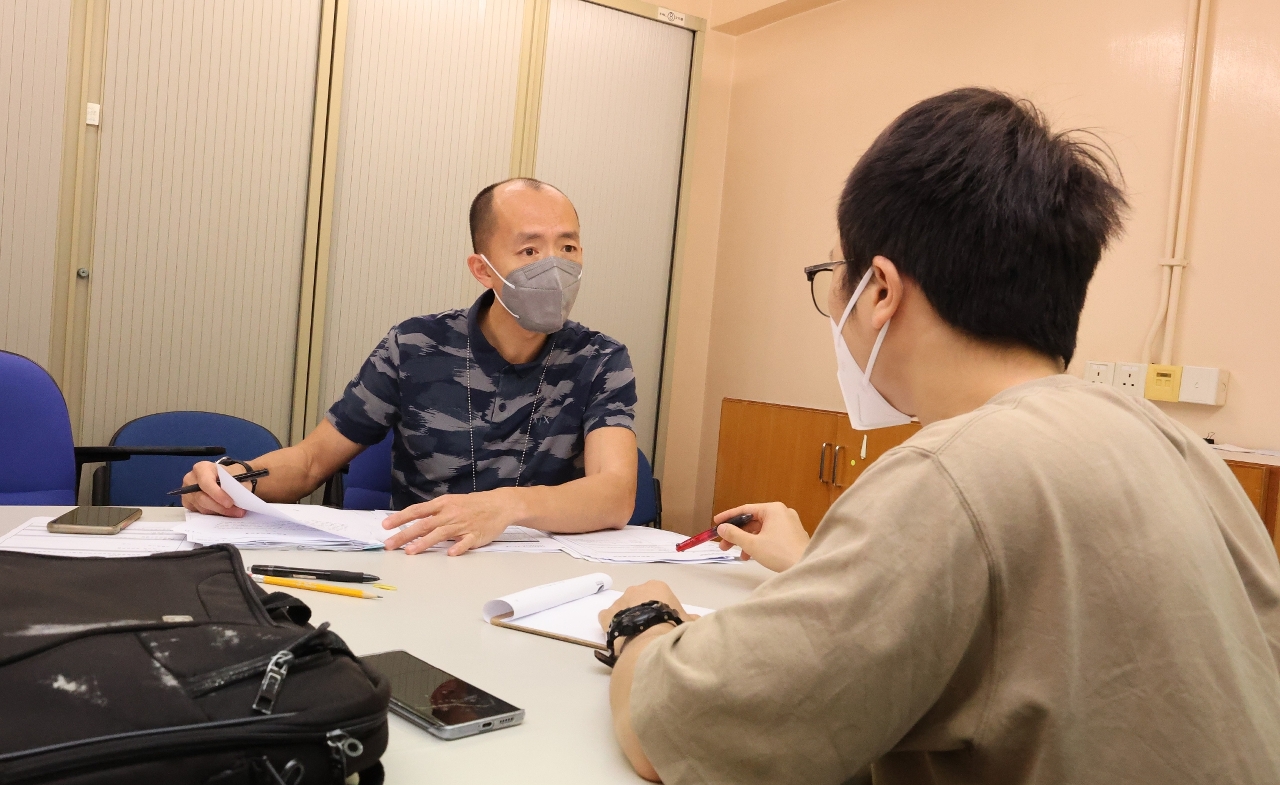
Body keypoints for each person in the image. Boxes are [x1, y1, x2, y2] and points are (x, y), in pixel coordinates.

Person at [597, 88, 1280, 783]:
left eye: (834, 274)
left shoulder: (949, 474)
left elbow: (677, 728)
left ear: (881, 290)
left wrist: (644, 620)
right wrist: (815, 565)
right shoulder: (1175, 446)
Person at [182, 178, 639, 555]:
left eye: (568, 247)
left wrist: (506, 506)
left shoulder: (601, 359)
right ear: (483, 270)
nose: (555, 267)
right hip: (424, 562)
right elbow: (310, 461)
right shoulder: (415, 345)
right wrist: (234, 481)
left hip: (542, 574)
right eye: (530, 252)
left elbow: (615, 493)